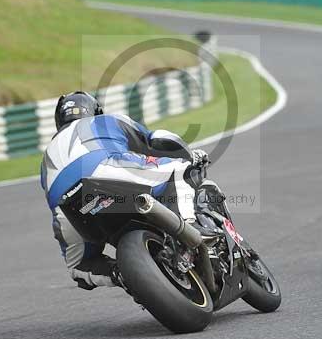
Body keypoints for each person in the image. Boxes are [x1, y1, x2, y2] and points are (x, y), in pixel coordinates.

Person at [40, 91, 211, 290]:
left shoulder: (46, 158)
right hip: (105, 170)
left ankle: (119, 275)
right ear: (96, 110)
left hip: (70, 205)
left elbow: (53, 204)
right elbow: (153, 141)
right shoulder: (107, 120)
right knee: (179, 169)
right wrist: (188, 155)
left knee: (79, 266)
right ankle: (192, 229)